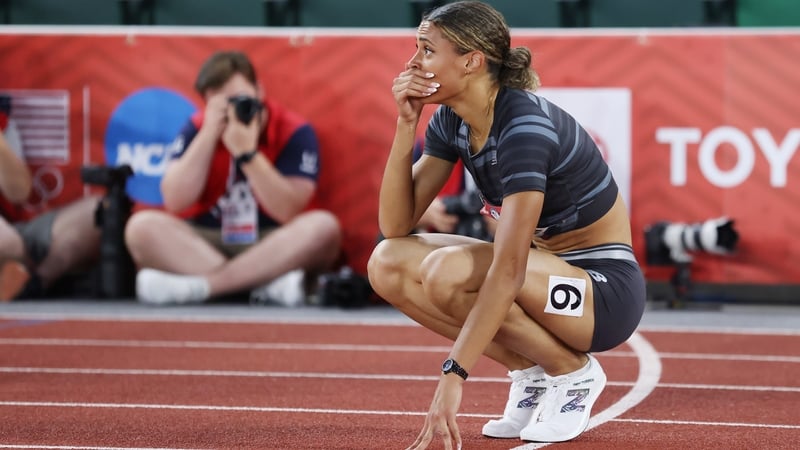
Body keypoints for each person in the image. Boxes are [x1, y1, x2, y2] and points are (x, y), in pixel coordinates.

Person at [367, 1, 646, 447]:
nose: (413, 63)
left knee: (447, 273)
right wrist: (406, 123)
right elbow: (395, 226)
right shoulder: (451, 120)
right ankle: (532, 373)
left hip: (602, 293)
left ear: (472, 60)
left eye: (426, 49)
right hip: (543, 271)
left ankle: (573, 375)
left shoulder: (524, 129)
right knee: (386, 263)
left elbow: (509, 268)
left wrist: (454, 373)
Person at [124, 50, 342, 306]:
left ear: (259, 91)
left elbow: (288, 210)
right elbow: (175, 200)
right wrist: (208, 135)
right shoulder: (198, 127)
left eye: (241, 100)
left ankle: (207, 287)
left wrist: (246, 154)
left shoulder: (293, 130)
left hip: (270, 240)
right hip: (206, 240)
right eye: (221, 105)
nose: (234, 111)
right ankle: (261, 288)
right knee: (141, 227)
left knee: (323, 227)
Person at [0, 95, 101, 301]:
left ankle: (34, 283)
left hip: (16, 230)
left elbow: (18, 192)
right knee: (8, 243)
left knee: (99, 211)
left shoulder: (4, 122)